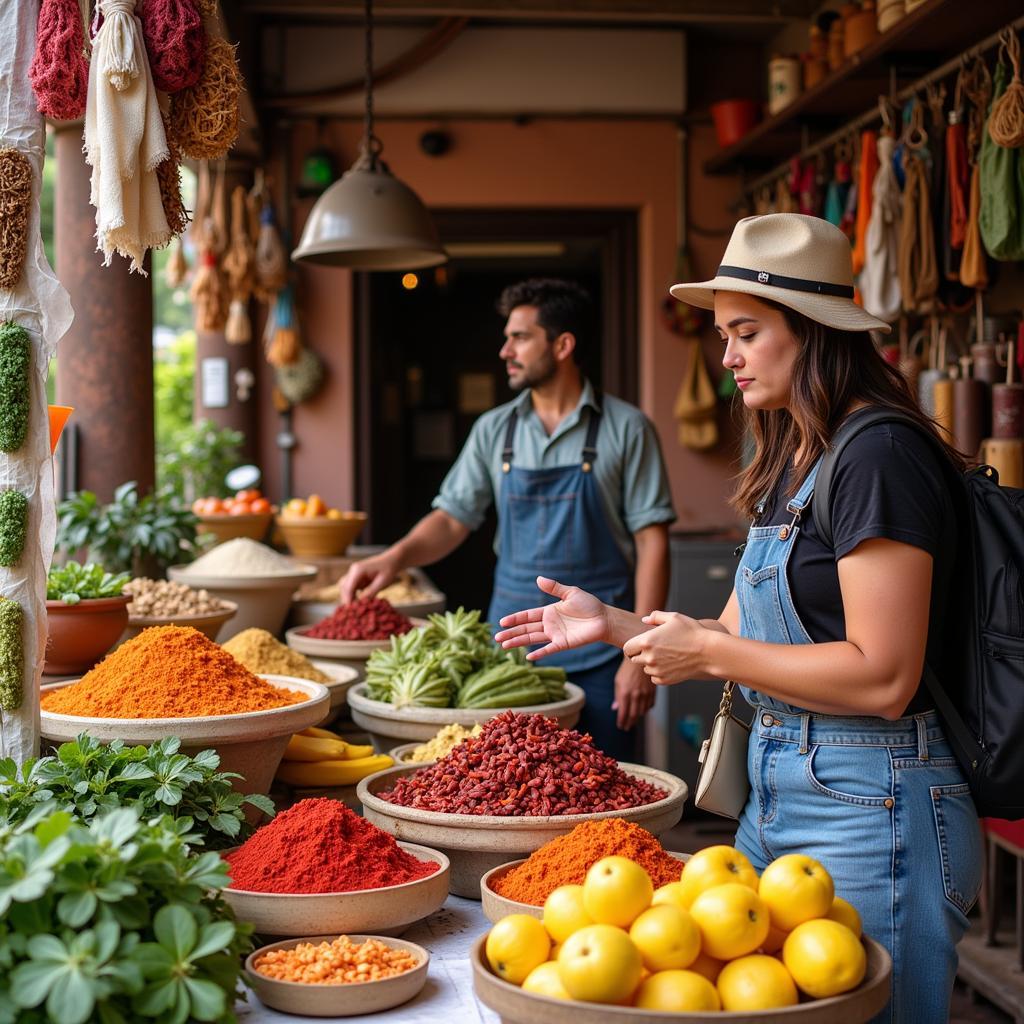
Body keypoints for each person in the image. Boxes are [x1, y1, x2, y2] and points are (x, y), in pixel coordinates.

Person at [495, 216, 982, 1024]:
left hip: (873, 804)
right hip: (776, 791)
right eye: (725, 335)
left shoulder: (877, 458)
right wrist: (613, 625)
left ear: (815, 330)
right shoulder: (795, 452)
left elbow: (884, 676)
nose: (726, 357)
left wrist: (711, 658)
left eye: (746, 333)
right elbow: (725, 634)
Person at [341, 278, 676, 759]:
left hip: (606, 657)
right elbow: (452, 519)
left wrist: (640, 654)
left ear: (562, 345)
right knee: (515, 794)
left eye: (520, 337)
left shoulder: (628, 429)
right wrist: (393, 560)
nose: (505, 351)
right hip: (512, 659)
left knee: (606, 799)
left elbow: (653, 543)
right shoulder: (493, 430)